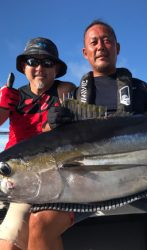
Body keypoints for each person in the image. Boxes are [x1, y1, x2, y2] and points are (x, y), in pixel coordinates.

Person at [27, 21, 147, 250]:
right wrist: (51, 124)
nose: (101, 46)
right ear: (85, 52)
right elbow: (50, 145)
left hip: (139, 180)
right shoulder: (70, 96)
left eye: (106, 40)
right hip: (83, 187)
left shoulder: (139, 88)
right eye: (94, 42)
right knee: (39, 223)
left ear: (117, 48)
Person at [0, 37, 75, 250]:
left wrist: (57, 123)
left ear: (56, 68)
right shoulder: (13, 95)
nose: (40, 68)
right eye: (33, 61)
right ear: (24, 67)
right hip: (10, 173)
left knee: (10, 240)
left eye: (47, 62)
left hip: (48, 176)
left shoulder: (65, 92)